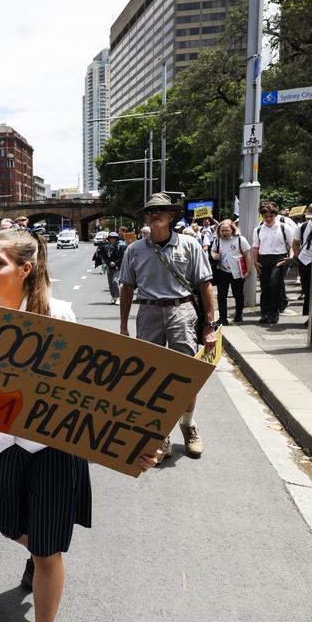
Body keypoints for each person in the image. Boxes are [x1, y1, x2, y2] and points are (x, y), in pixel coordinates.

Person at [0, 227, 159, 622]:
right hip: (0, 446)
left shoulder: (60, 315)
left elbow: (94, 397)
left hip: (51, 451)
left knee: (48, 551)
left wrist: (135, 442)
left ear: (25, 268)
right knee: (10, 528)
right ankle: (36, 554)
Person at [118, 192, 216, 461]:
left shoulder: (190, 245)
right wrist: (124, 326)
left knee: (186, 376)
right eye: (150, 211)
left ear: (171, 216)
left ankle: (188, 424)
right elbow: (127, 288)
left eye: (161, 210)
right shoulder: (134, 250)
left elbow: (205, 285)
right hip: (148, 312)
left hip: (181, 311)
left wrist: (210, 325)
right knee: (150, 379)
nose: (155, 214)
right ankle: (160, 433)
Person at [250, 200, 298, 324]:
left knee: (274, 285)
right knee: (265, 287)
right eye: (266, 216)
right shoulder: (258, 229)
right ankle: (265, 313)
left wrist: (290, 257)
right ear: (262, 216)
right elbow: (255, 247)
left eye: (271, 216)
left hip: (279, 259)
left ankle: (274, 312)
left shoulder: (284, 227)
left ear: (275, 215)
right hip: (263, 259)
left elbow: (292, 244)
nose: (268, 219)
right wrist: (255, 261)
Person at [209, 219, 250, 325]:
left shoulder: (240, 239)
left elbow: (247, 255)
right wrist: (214, 255)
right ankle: (223, 318)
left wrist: (248, 270)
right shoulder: (217, 240)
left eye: (227, 230)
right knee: (222, 295)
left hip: (238, 272)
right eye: (222, 230)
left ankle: (238, 314)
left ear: (232, 230)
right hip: (222, 271)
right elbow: (213, 251)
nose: (224, 233)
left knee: (238, 294)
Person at [296, 204, 312, 317]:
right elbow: (295, 242)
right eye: (311, 217)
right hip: (304, 261)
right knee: (307, 289)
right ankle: (309, 316)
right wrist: (297, 255)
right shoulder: (303, 226)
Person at [97, 232, 125, 305]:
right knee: (110, 283)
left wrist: (115, 262)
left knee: (115, 281)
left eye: (114, 238)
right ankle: (113, 297)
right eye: (111, 238)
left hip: (118, 267)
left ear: (116, 239)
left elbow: (122, 257)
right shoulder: (106, 247)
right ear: (109, 239)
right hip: (109, 268)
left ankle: (118, 297)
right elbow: (104, 257)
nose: (112, 239)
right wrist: (108, 262)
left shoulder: (120, 246)